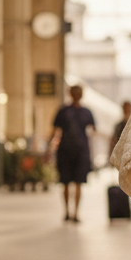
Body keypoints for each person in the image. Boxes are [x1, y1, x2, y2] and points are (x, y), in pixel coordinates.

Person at [47, 84, 95, 222]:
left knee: (78, 182)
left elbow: (92, 131)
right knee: (66, 182)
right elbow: (55, 131)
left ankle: (75, 212)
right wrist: (49, 148)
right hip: (66, 151)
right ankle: (68, 211)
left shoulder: (86, 112)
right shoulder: (64, 111)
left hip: (80, 152)